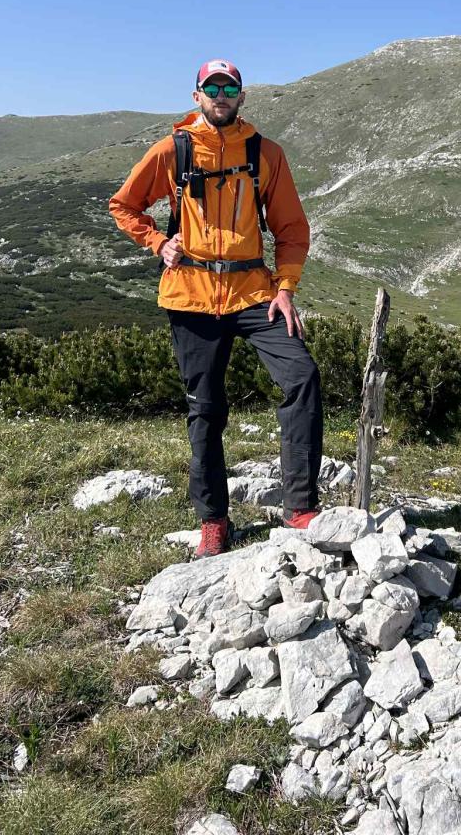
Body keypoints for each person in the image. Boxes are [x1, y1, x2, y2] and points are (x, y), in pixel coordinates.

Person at [108, 58, 323, 556]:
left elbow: (291, 228)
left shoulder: (265, 153)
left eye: (230, 88)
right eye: (212, 88)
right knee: (205, 409)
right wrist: (156, 242)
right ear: (197, 96)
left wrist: (286, 288)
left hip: (254, 293)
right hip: (191, 295)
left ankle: (300, 508)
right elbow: (124, 205)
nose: (221, 95)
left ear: (241, 97)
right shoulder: (174, 149)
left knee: (302, 376)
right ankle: (214, 521)